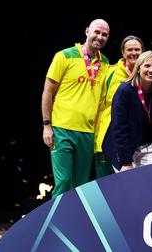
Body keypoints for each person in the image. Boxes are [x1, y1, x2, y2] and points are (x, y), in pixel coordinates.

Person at [41, 19, 110, 197]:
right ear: (87, 31)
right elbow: (48, 92)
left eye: (104, 34)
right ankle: (55, 222)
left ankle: (74, 223)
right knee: (63, 182)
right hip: (61, 129)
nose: (100, 37)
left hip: (88, 133)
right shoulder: (64, 56)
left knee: (80, 186)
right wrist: (47, 125)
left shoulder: (105, 63)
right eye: (97, 32)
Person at [102, 51, 152, 172]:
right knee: (129, 188)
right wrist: (126, 162)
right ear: (138, 68)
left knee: (150, 186)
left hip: (149, 146)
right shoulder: (124, 90)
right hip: (125, 147)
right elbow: (119, 128)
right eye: (147, 66)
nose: (151, 70)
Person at [93, 35, 144, 178]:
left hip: (136, 143)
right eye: (130, 50)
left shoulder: (148, 73)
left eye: (137, 49)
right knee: (104, 190)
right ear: (123, 53)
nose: (134, 53)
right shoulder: (109, 73)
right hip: (106, 140)